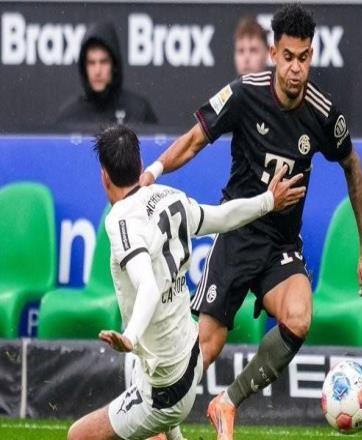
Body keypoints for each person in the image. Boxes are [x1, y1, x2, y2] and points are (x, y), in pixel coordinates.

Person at [141, 4, 362, 439]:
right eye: (288, 57)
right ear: (273, 54)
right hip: (237, 233)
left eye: (303, 57)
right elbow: (194, 141)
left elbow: (352, 164)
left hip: (280, 245)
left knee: (300, 318)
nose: (295, 68)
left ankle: (226, 403)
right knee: (206, 347)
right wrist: (153, 171)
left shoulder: (323, 113)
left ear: (311, 55)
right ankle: (155, 420)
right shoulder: (245, 94)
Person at [66, 125, 305, 440]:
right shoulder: (170, 197)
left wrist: (130, 337)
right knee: (137, 365)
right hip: (191, 357)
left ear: (104, 177)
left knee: (78, 436)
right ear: (140, 165)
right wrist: (268, 201)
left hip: (166, 391)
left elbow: (148, 287)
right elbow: (223, 217)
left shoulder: (120, 221)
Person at [56, 22, 158, 129]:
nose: (97, 71)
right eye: (91, 63)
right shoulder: (69, 116)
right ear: (84, 67)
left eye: (104, 62)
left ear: (114, 66)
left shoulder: (138, 112)